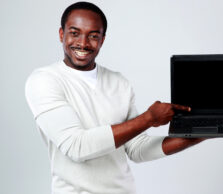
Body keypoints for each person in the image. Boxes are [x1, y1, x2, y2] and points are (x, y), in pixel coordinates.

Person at [25, 2, 210, 194]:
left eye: (93, 36)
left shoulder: (119, 82)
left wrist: (208, 132)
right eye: (74, 33)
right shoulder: (44, 80)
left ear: (102, 40)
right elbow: (76, 147)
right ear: (61, 34)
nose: (83, 43)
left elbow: (138, 150)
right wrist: (149, 118)